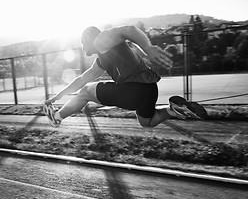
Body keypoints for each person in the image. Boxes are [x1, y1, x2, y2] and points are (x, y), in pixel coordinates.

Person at [43, 25, 207, 128]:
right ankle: (174, 110)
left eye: (82, 42)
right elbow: (80, 79)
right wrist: (58, 96)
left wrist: (148, 48)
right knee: (147, 122)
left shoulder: (100, 41)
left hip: (132, 90)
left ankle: (56, 118)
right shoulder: (101, 61)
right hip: (149, 90)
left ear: (88, 38)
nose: (82, 47)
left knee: (86, 92)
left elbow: (129, 30)